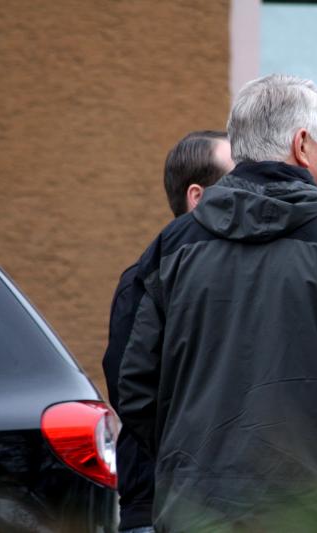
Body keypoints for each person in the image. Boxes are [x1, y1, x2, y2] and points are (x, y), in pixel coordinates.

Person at [117, 74, 317, 532]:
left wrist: (186, 464)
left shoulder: (170, 249)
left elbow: (134, 385)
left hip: (196, 512)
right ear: (302, 144)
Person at [102, 130, 234, 533]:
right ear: (197, 197)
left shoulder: (243, 280)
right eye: (237, 179)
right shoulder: (146, 279)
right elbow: (131, 392)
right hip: (158, 503)